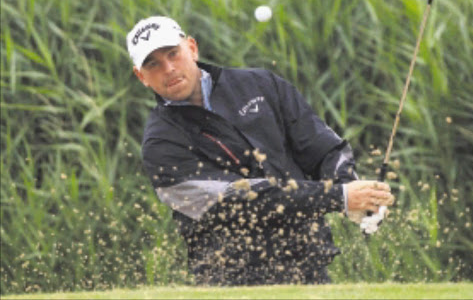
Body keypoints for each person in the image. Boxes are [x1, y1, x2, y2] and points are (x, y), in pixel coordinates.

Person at [126, 16, 395, 285]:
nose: (169, 68)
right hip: (230, 281)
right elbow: (244, 199)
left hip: (309, 262)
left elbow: (321, 147)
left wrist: (354, 189)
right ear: (142, 77)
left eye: (173, 54)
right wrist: (339, 197)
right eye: (153, 64)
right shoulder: (160, 145)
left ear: (192, 48)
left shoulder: (259, 84)